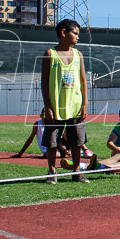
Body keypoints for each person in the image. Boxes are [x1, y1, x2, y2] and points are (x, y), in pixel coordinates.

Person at [40, 19, 89, 184]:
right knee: (52, 140)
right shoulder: (50, 54)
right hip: (55, 106)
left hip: (75, 105)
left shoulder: (78, 55)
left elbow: (83, 80)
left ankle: (77, 172)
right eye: (74, 33)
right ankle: (51, 172)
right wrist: (47, 106)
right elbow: (44, 82)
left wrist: (85, 103)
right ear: (63, 33)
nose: (77, 37)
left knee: (76, 140)